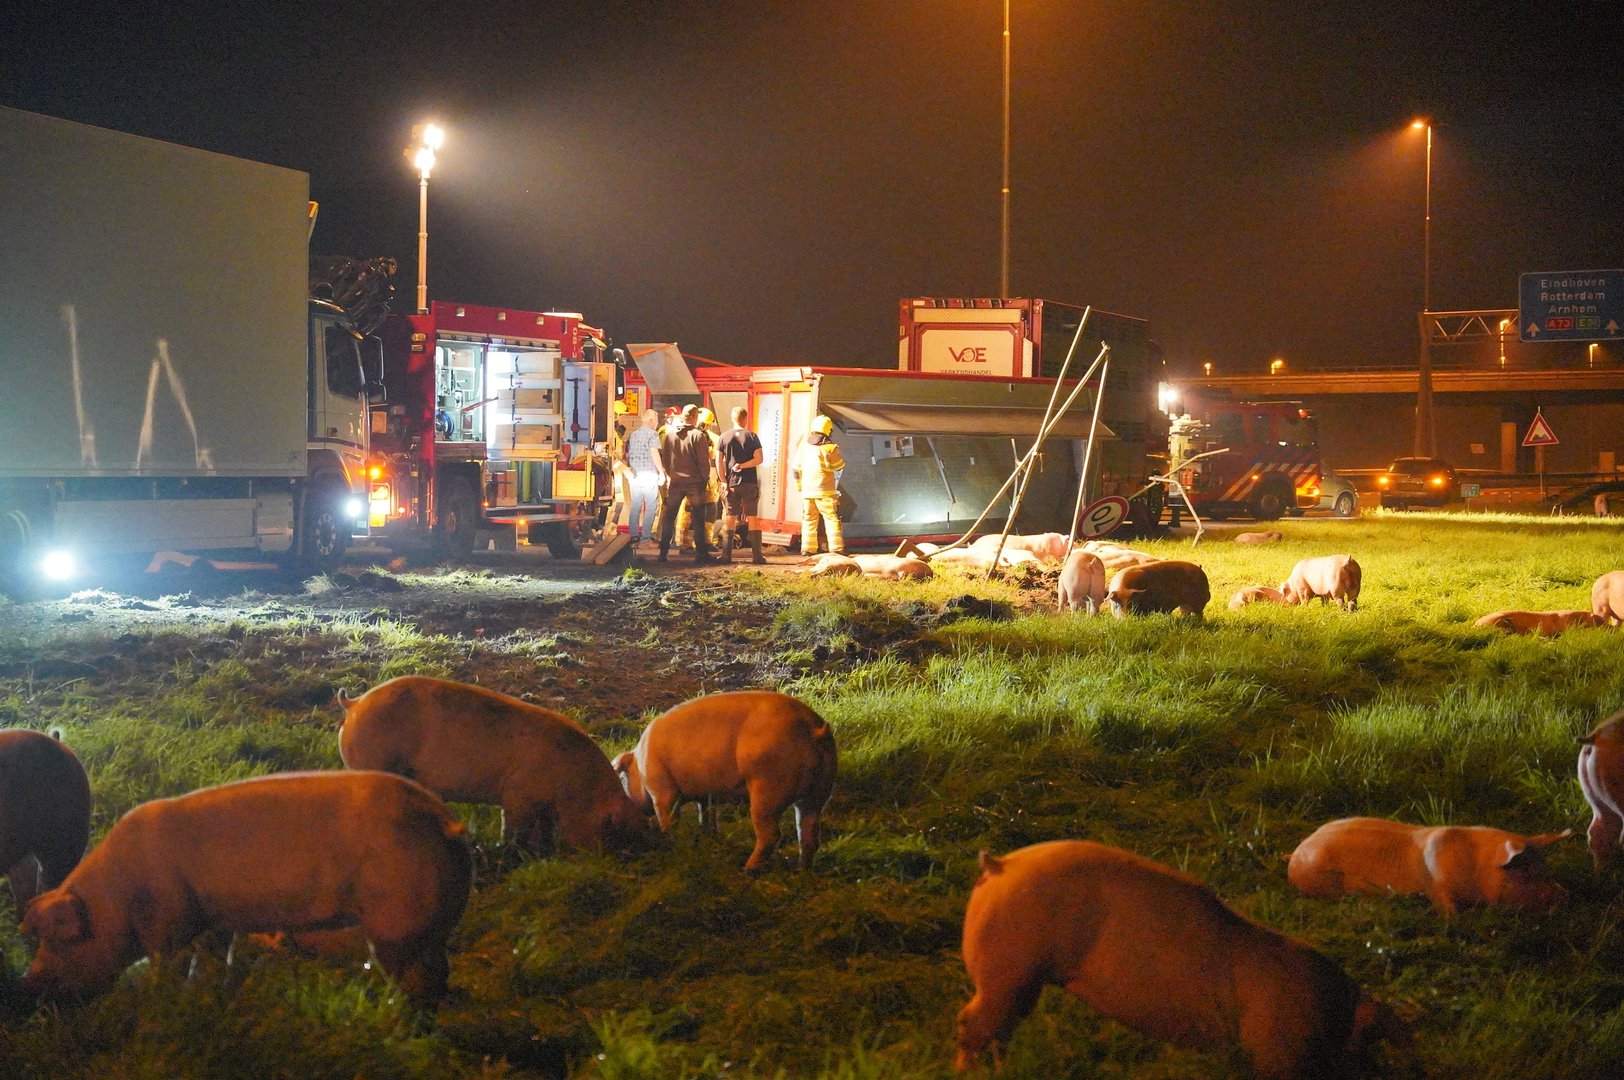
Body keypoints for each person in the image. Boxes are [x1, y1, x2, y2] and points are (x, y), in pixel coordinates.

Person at [656, 404, 716, 563]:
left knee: (670, 516)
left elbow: (665, 459)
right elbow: (703, 461)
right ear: (695, 418)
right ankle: (701, 554)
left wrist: (671, 475)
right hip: (695, 482)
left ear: (683, 416)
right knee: (698, 517)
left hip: (676, 482)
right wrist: (704, 479)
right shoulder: (698, 436)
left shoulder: (670, 435)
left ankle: (663, 552)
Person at [717, 405, 766, 564]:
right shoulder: (752, 436)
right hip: (749, 482)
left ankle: (726, 555)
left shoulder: (723, 437)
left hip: (731, 483)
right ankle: (757, 556)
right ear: (745, 419)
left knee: (730, 517)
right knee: (752, 517)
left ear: (732, 418)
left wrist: (723, 481)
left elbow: (719, 461)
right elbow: (759, 459)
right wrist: (743, 465)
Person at [795, 414, 845, 555]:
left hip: (807, 492)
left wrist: (800, 487)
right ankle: (836, 549)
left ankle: (807, 549)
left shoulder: (803, 447)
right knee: (831, 518)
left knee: (809, 519)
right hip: (825, 492)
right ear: (828, 430)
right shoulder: (830, 448)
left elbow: (796, 469)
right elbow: (839, 466)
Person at [625, 408, 663, 547]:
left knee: (635, 506)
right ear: (651, 420)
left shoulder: (634, 434)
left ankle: (634, 538)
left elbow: (629, 454)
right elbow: (654, 453)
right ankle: (646, 539)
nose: (657, 423)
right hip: (649, 474)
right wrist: (661, 472)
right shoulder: (653, 434)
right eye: (657, 420)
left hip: (635, 475)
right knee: (651, 507)